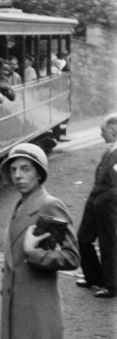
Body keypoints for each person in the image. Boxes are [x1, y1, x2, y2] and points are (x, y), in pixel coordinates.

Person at [0, 143, 80, 339]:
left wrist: (34, 254)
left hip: (38, 313)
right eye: (13, 170)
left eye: (25, 169)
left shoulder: (49, 205)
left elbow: (72, 257)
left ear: (39, 174)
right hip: (14, 309)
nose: (18, 175)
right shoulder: (20, 205)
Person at [76, 113, 117, 298]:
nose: (101, 134)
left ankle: (112, 284)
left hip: (106, 202)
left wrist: (104, 199)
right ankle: (93, 276)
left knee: (108, 243)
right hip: (96, 200)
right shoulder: (111, 149)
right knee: (83, 238)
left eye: (103, 130)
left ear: (114, 130)